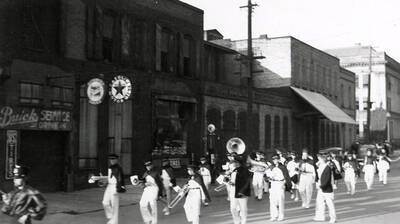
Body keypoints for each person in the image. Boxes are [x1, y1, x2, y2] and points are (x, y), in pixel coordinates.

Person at [102, 154, 126, 224]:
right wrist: (105, 180)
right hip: (109, 186)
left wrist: (118, 188)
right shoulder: (110, 167)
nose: (111, 161)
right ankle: (110, 216)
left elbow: (120, 179)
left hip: (115, 186)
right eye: (110, 159)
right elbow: (111, 177)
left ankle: (114, 222)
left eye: (113, 159)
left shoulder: (118, 168)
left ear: (116, 160)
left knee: (114, 205)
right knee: (105, 202)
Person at [314, 154, 336, 223]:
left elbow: (327, 179)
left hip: (327, 189)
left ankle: (333, 218)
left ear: (322, 159)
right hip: (321, 188)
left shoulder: (327, 168)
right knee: (319, 202)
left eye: (319, 159)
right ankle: (320, 216)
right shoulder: (320, 166)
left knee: (330, 204)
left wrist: (321, 186)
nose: (318, 160)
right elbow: (318, 177)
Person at [228, 159, 251, 224]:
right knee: (233, 208)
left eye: (232, 166)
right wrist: (228, 182)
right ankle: (236, 221)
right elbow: (232, 182)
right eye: (230, 166)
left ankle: (243, 221)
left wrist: (243, 191)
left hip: (241, 192)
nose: (231, 168)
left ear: (237, 165)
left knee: (243, 208)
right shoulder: (231, 173)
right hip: (233, 192)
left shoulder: (244, 171)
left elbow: (246, 182)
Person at [265, 154, 287, 221]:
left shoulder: (283, 167)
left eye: (276, 159)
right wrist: (267, 178)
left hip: (280, 184)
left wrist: (285, 184)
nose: (275, 160)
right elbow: (266, 176)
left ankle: (281, 215)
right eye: (274, 159)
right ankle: (274, 215)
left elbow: (286, 176)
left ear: (279, 159)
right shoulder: (271, 167)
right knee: (272, 201)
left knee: (280, 200)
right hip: (273, 184)